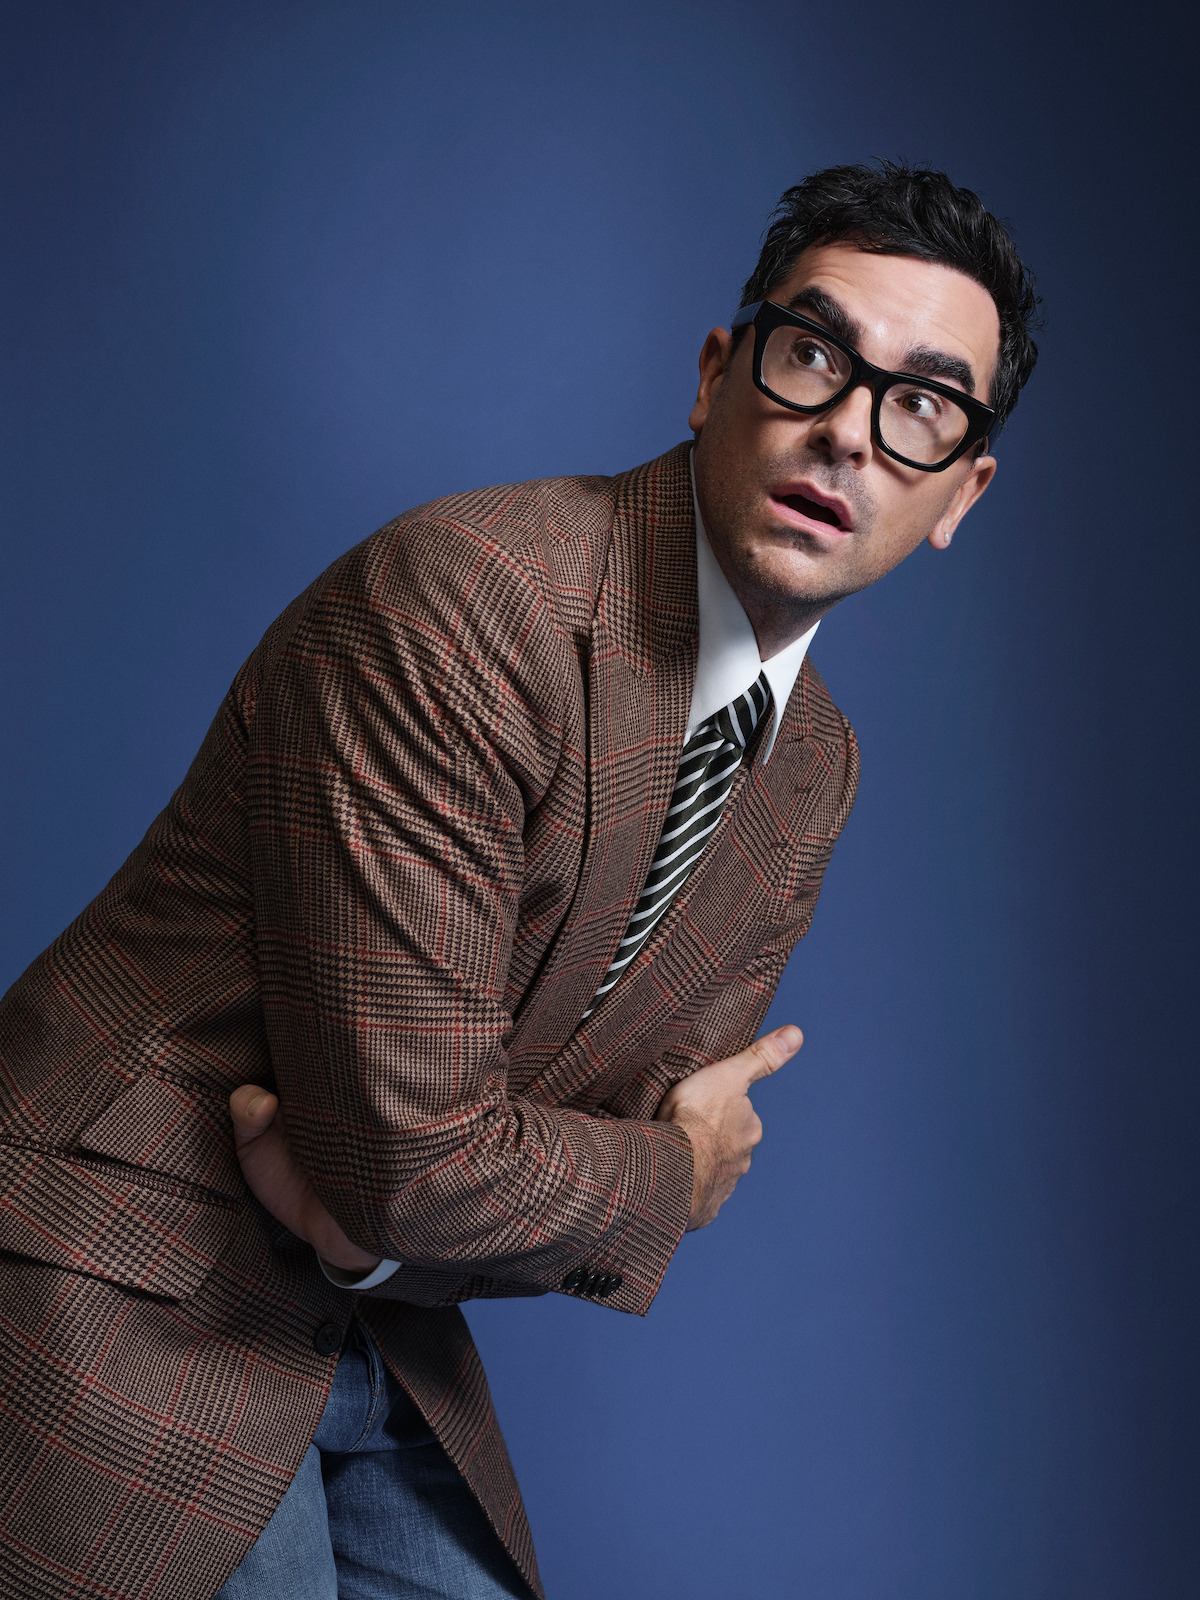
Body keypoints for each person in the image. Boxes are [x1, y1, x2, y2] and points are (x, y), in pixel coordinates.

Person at [0, 161, 1038, 1600]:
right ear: (717, 373)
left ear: (959, 494)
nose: (849, 436)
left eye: (921, 405)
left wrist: (367, 1231)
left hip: (371, 1316)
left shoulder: (812, 774)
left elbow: (497, 1157)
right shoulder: (472, 603)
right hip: (125, 1266)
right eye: (813, 355)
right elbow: (443, 1153)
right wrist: (672, 1175)